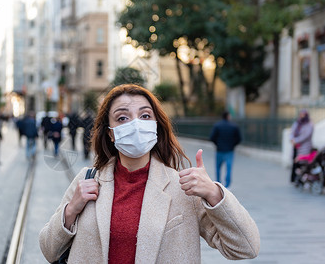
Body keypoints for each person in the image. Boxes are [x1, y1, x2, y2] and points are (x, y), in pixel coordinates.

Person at [39, 84, 260, 263]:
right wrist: (70, 212)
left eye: (145, 116)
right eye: (123, 118)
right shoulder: (87, 181)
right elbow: (49, 250)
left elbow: (245, 248)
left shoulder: (183, 187)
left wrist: (214, 193)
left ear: (156, 125)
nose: (135, 124)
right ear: (111, 134)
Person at [209, 111, 242, 188]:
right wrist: (233, 145)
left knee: (218, 168)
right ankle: (227, 185)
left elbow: (212, 137)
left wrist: (218, 144)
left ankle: (218, 184)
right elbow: (239, 139)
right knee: (229, 168)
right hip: (229, 151)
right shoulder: (234, 126)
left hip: (219, 150)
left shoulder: (217, 126)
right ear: (228, 116)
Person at [289, 109, 314, 183]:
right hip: (296, 146)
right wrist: (292, 140)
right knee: (295, 162)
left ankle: (301, 179)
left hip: (304, 147)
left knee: (302, 162)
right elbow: (292, 132)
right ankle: (294, 178)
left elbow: (305, 135)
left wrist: (296, 140)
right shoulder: (297, 123)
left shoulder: (309, 124)